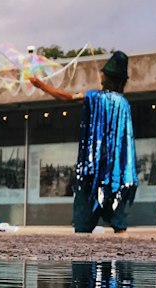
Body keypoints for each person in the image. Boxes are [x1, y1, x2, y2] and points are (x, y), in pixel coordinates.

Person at [31, 50, 137, 234]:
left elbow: (66, 97)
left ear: (108, 78)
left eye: (103, 73)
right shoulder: (124, 104)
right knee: (118, 224)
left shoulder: (95, 97)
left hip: (92, 174)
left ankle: (82, 260)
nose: (100, 75)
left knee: (82, 225)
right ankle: (123, 260)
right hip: (115, 177)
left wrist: (41, 85)